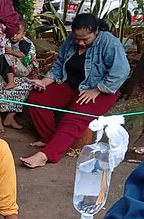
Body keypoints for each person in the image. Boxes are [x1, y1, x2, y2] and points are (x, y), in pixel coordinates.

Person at [21, 13, 130, 168]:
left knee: (74, 117)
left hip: (101, 90)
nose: (80, 42)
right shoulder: (71, 39)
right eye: (77, 38)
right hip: (71, 84)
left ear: (95, 31)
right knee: (38, 98)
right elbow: (59, 65)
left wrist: (97, 89)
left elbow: (122, 71)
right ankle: (49, 139)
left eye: (85, 39)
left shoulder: (109, 42)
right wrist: (45, 82)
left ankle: (46, 155)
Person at [0, 18, 39, 130]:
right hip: (2, 74)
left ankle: (10, 117)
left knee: (26, 85)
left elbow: (28, 58)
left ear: (24, 33)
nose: (14, 36)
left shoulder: (26, 43)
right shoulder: (3, 41)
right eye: (12, 33)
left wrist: (13, 54)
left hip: (21, 74)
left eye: (17, 33)